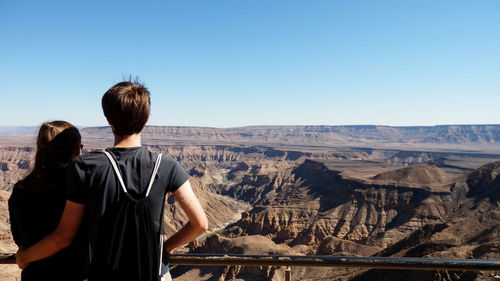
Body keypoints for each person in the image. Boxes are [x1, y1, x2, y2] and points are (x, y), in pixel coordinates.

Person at [16, 81, 208, 281]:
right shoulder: (167, 165)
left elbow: (63, 237)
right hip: (154, 272)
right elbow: (200, 224)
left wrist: (24, 256)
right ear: (147, 119)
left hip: (105, 273)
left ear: (108, 119)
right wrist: (165, 248)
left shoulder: (85, 167)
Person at [9, 121, 87, 281]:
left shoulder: (20, 190)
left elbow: (19, 237)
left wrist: (25, 256)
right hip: (77, 274)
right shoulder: (82, 190)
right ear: (76, 150)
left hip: (36, 275)